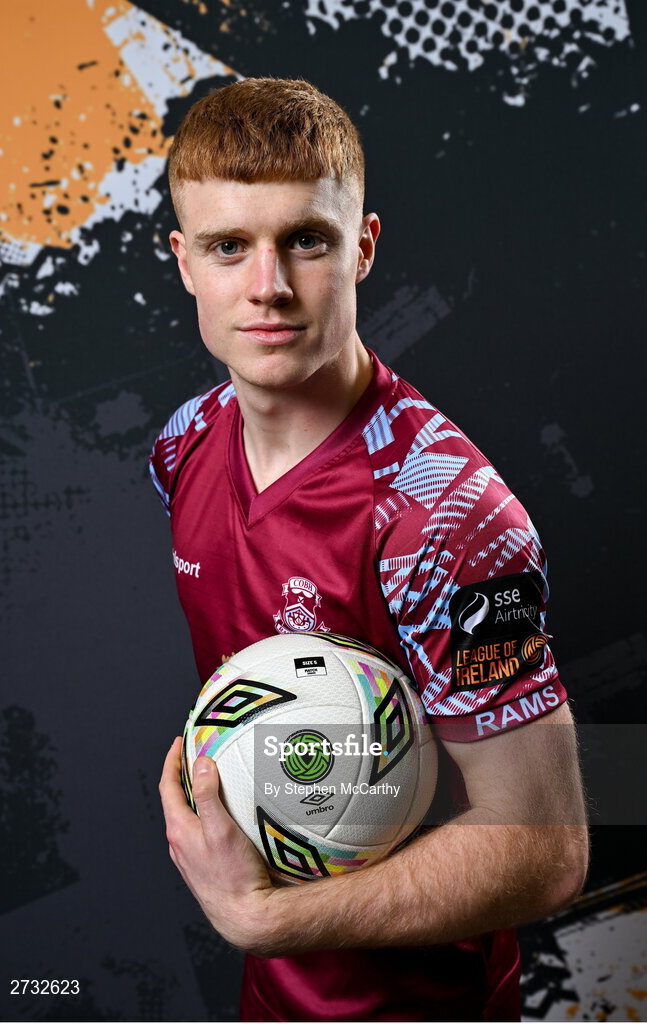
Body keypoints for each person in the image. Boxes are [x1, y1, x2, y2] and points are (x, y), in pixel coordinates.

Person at [150, 77, 588, 1022]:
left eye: (305, 240)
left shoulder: (446, 519)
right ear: (185, 263)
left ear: (363, 246)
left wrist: (260, 918)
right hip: (272, 996)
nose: (266, 286)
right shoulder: (185, 442)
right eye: (230, 247)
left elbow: (546, 845)